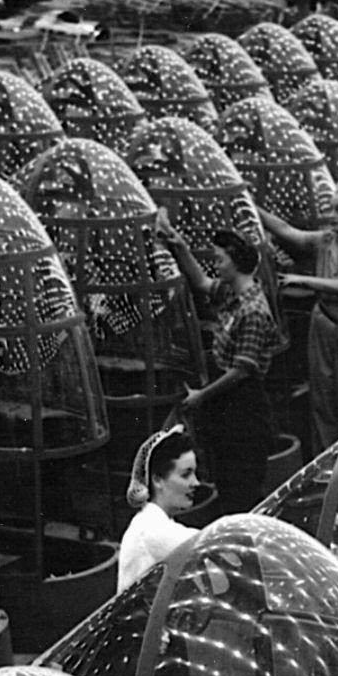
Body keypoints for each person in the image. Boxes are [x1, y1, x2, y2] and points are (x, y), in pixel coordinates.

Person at [160, 218, 279, 517]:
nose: (217, 265)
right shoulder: (233, 293)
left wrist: (202, 395)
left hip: (245, 410)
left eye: (221, 260)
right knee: (229, 483)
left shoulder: (253, 310)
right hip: (228, 408)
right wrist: (178, 245)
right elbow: (201, 282)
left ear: (236, 263)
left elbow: (242, 371)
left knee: (242, 490)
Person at [260, 181, 338, 453]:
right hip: (323, 324)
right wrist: (254, 208)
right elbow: (288, 232)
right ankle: (326, 465)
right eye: (331, 209)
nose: (333, 215)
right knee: (323, 401)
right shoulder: (326, 240)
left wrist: (302, 280)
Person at [119, 425, 200, 590]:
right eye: (186, 474)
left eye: (195, 474)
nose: (196, 483)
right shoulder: (151, 528)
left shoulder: (156, 522)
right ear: (157, 480)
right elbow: (211, 546)